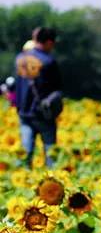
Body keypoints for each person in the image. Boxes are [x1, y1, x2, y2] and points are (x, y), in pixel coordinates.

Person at [15, 27, 62, 168]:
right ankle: (52, 180)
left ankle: (22, 180)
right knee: (50, 153)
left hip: (24, 112)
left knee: (25, 152)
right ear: (48, 42)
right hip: (43, 113)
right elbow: (58, 88)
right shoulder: (48, 61)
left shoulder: (20, 59)